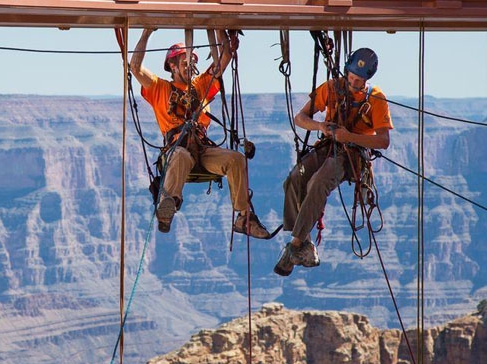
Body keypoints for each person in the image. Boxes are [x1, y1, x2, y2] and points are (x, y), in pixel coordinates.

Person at [129, 29, 271, 239]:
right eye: (184, 61)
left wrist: (217, 27)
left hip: (203, 150)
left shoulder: (201, 84)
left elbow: (225, 58)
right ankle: (167, 205)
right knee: (180, 156)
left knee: (236, 159)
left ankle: (243, 216)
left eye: (192, 62)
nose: (190, 66)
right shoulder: (160, 88)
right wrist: (147, 33)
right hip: (177, 149)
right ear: (172, 66)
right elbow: (135, 67)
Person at [274, 47, 393, 276]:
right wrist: (320, 126)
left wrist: (348, 137)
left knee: (318, 182)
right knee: (293, 178)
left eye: (359, 81)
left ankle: (295, 246)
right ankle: (304, 241)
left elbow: (383, 141)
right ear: (346, 71)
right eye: (351, 77)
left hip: (352, 156)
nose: (353, 83)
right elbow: (300, 118)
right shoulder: (331, 88)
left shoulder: (376, 99)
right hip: (328, 146)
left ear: (367, 79)